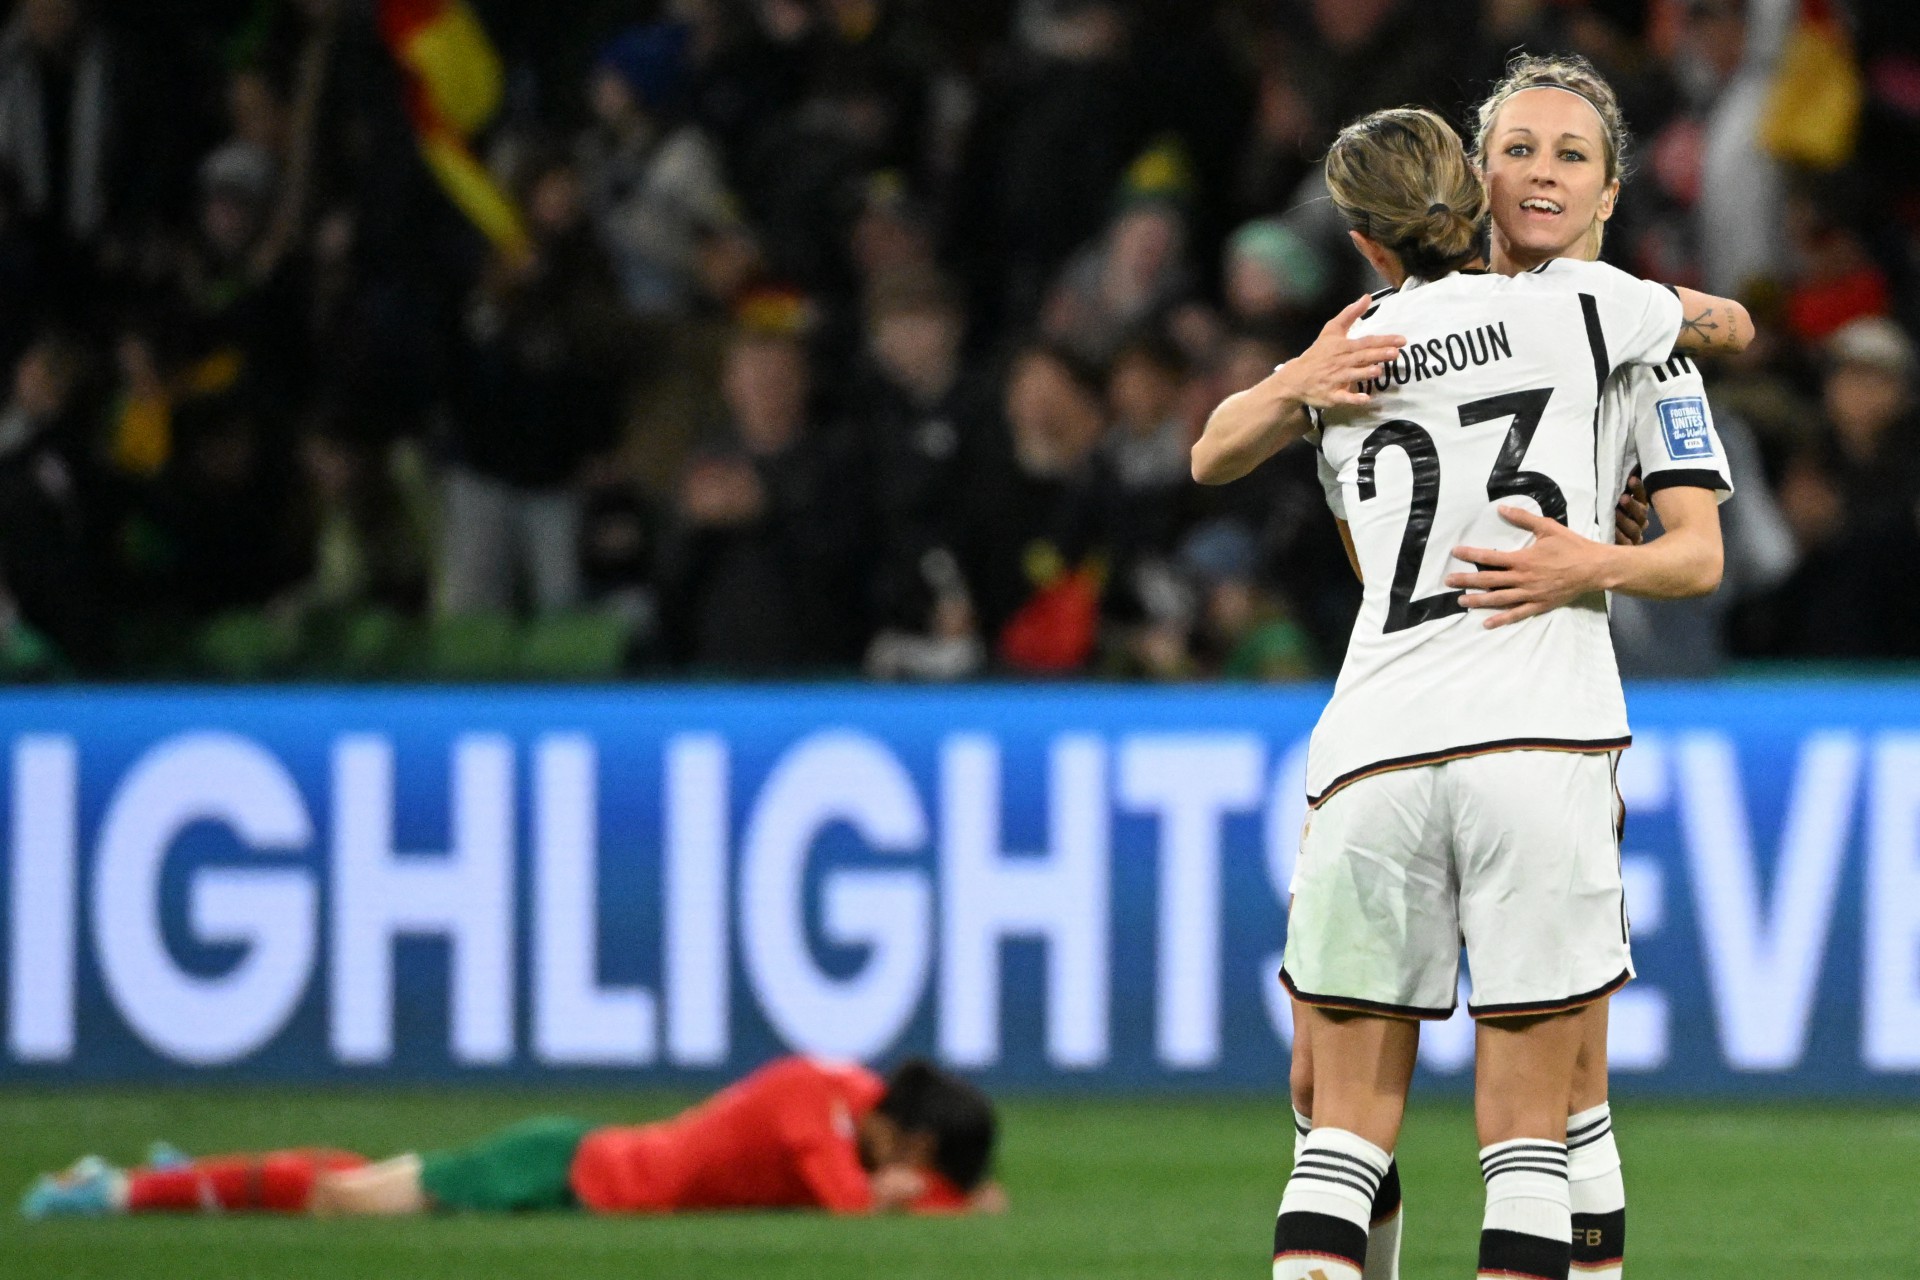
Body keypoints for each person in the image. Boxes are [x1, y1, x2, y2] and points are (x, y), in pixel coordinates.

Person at [1191, 107, 1750, 1280]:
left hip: (1376, 741)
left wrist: (1295, 379)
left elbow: (1333, 538)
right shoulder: (1601, 310)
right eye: (1522, 153)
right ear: (1476, 182)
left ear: (1361, 239)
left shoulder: (1357, 359)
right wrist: (1590, 537)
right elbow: (1728, 317)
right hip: (1537, 739)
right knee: (1534, 1136)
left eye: (1573, 155)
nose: (1543, 174)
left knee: (1337, 1131)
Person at [22, 1055, 1004, 1221]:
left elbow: (881, 1198)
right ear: (900, 1128)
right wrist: (946, 1209)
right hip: (567, 1168)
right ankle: (112, 1192)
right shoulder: (814, 1103)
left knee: (367, 1182)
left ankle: (174, 1177)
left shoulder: (844, 1101)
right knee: (350, 1200)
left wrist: (948, 1198)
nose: (912, 1177)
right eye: (920, 1159)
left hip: (584, 1166)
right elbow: (851, 1207)